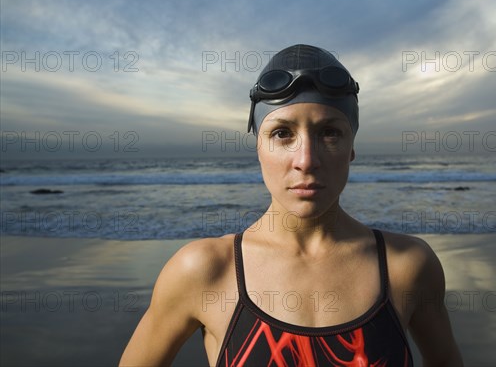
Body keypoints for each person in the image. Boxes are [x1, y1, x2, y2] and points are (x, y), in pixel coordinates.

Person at [120, 44, 463, 366]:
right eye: (282, 133)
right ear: (259, 149)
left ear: (352, 148)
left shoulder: (408, 266)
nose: (306, 160)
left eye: (329, 133)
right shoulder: (204, 271)